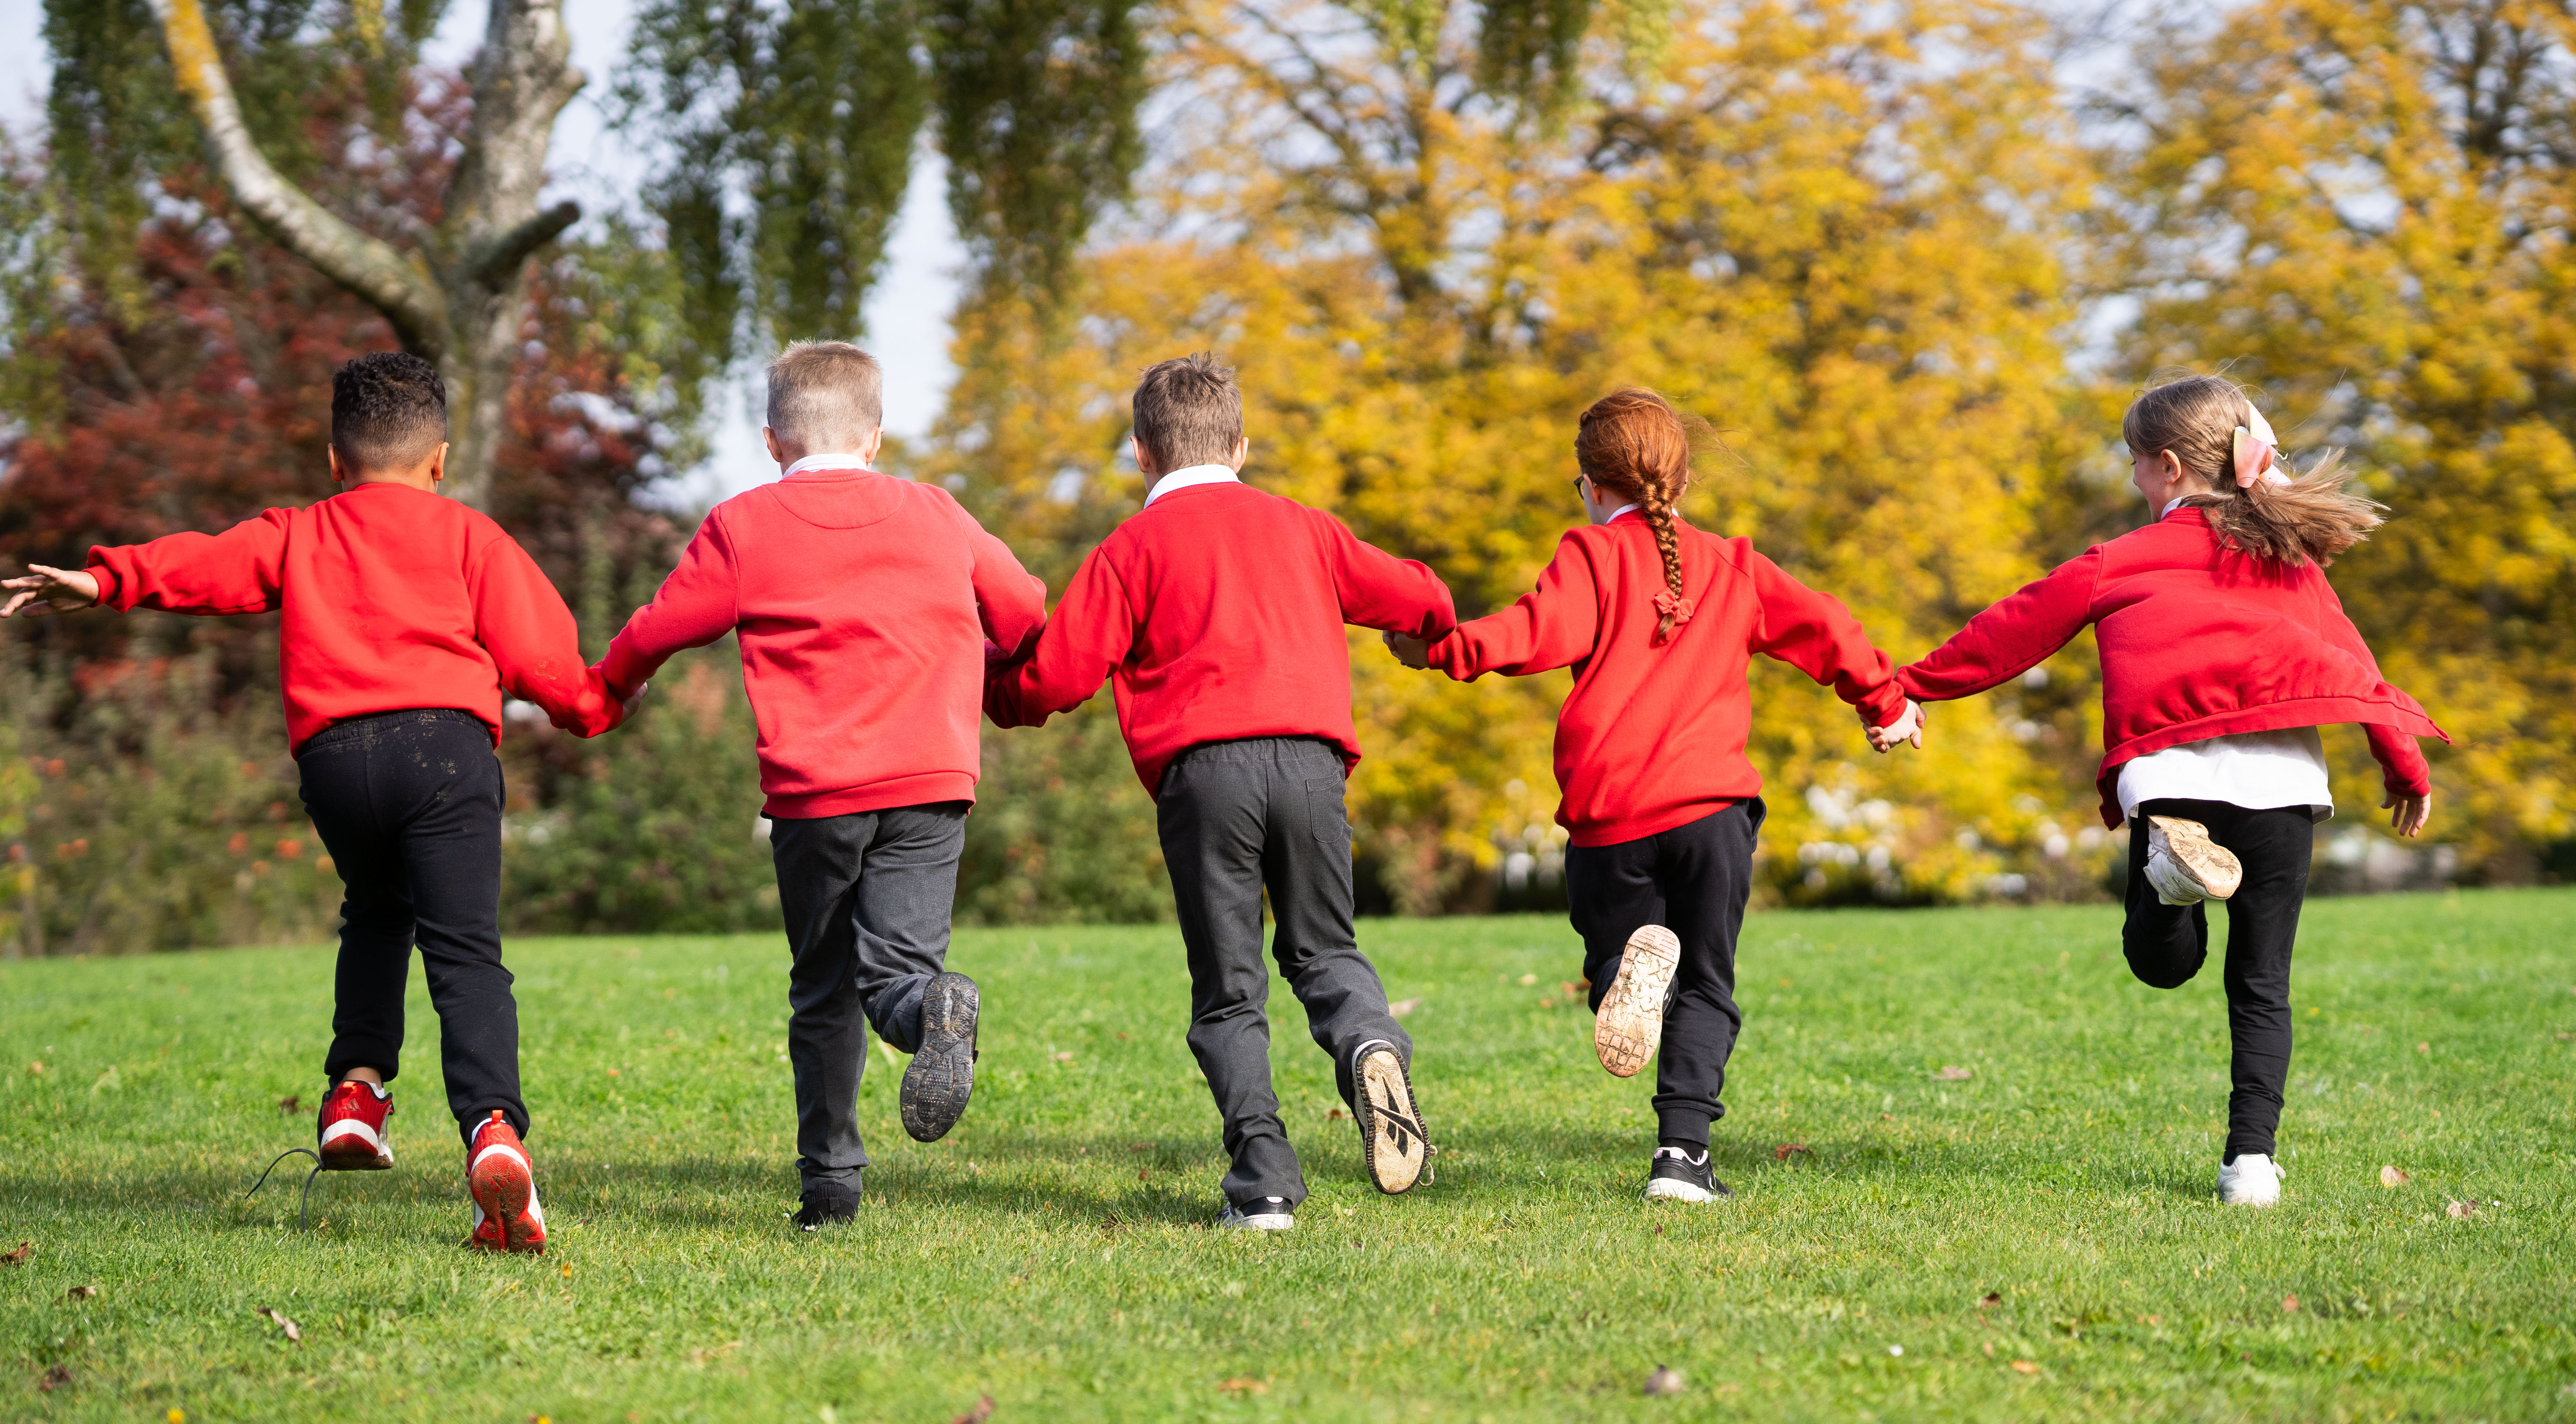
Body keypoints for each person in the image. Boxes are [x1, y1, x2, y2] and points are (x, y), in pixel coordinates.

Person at [0, 351, 623, 1252]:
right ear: (440, 459)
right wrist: (596, 708)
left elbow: (207, 565)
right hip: (444, 749)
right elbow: (547, 665)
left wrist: (105, 579)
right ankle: (493, 1130)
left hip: (336, 761)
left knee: (374, 913)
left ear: (335, 460)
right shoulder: (469, 538)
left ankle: (358, 1094)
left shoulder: (299, 532)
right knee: (464, 953)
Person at [1894, 374, 2447, 1207]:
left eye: (2133, 465)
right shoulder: (2288, 560)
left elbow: (2013, 629)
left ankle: (2174, 888)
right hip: (2282, 789)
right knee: (2261, 982)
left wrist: (1906, 687)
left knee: (2160, 965)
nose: (2130, 482)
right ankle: (2251, 1166)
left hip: (2172, 782)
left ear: (2167, 467)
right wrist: (2404, 766)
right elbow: (2351, 664)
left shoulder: (2122, 557)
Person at [1386, 388, 1916, 1204]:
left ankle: (1629, 981)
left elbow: (1529, 633)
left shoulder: (1590, 557)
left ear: (1593, 487)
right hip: (1712, 814)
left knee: (1616, 957)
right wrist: (1883, 704)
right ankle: (1682, 1160)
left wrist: (1444, 648)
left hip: (1611, 815)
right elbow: (1827, 627)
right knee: (1709, 983)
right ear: (1685, 478)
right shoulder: (1735, 563)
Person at [985, 353, 1454, 1230]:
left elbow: (1053, 680)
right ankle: (1370, 1042)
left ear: (1141, 454)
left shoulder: (1132, 548)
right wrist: (1426, 627)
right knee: (1324, 950)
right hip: (1312, 764)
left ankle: (1266, 1182)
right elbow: (1415, 593)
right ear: (1241, 444)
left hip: (1205, 775)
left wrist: (989, 682)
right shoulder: (1303, 527)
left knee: (1230, 988)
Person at [591, 341, 1045, 1231]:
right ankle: (930, 1009)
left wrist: (613, 681)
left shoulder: (744, 525)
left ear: (772, 441)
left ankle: (831, 1187)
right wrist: (977, 660)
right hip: (931, 779)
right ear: (874, 437)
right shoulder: (936, 513)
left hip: (817, 793)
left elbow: (659, 627)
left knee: (824, 985)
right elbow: (1027, 610)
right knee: (899, 974)